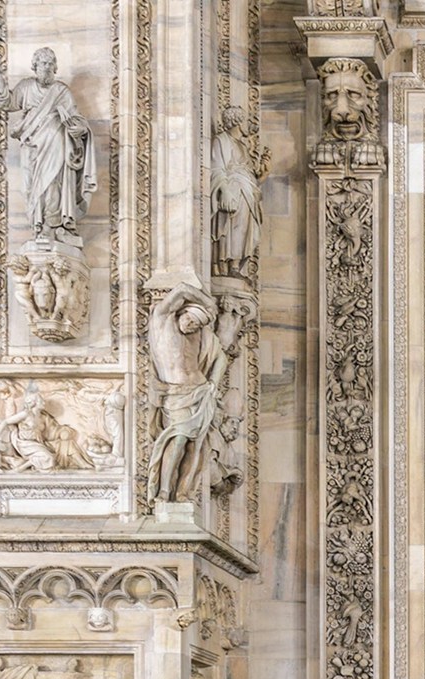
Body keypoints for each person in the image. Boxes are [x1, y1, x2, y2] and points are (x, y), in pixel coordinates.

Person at [0, 47, 98, 243]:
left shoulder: (61, 91)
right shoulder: (26, 87)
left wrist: (80, 130)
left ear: (55, 67)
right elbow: (5, 102)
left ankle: (53, 224)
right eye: (43, 63)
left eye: (50, 64)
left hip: (56, 145)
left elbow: (76, 118)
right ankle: (38, 223)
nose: (47, 67)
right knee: (30, 187)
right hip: (32, 145)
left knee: (53, 183)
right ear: (35, 66)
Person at [145, 284, 224, 504]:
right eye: (190, 320)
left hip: (200, 393)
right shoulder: (162, 322)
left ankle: (183, 492)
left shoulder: (201, 336)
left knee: (195, 446)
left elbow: (221, 357)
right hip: (175, 395)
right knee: (178, 439)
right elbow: (180, 289)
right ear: (182, 312)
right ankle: (164, 490)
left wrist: (214, 383)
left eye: (196, 325)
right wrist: (208, 303)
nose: (191, 326)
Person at [210, 106, 266, 278]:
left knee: (244, 228)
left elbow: (250, 174)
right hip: (233, 190)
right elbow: (216, 167)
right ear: (237, 121)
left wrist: (264, 173)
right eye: (246, 120)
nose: (249, 124)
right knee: (230, 227)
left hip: (248, 191)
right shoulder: (221, 140)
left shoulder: (243, 146)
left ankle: (235, 266)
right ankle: (224, 266)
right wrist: (225, 190)